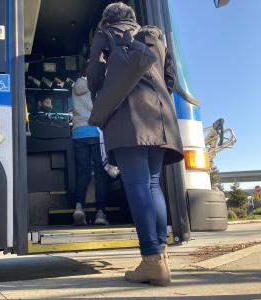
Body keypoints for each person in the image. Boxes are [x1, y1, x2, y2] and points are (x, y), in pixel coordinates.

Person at [87, 2, 184, 286]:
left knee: (139, 185)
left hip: (128, 117)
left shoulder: (106, 35)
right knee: (153, 184)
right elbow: (170, 78)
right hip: (161, 117)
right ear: (133, 18)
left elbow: (94, 77)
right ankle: (161, 259)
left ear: (107, 20)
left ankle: (151, 260)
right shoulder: (155, 35)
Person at [72, 63, 109, 226]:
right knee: (100, 174)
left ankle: (79, 207)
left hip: (78, 133)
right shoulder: (97, 86)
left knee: (83, 173)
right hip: (95, 132)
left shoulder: (75, 86)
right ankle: (100, 213)